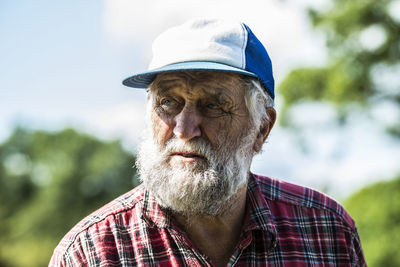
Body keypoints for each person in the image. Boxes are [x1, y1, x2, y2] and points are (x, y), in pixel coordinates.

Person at [49, 19, 366, 267]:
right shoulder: (92, 252)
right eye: (169, 102)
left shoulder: (327, 231)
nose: (185, 129)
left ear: (262, 128)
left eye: (213, 105)